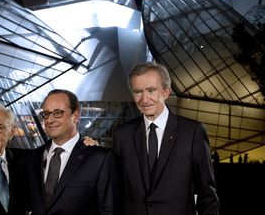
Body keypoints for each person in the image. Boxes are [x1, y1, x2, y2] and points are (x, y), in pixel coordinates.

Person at [112, 62, 219, 215]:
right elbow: (114, 187)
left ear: (166, 92)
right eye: (138, 92)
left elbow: (207, 194)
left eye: (151, 90)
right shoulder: (123, 134)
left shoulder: (192, 132)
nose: (144, 98)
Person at [26, 89, 119, 215]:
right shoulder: (33, 158)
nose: (50, 120)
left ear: (75, 115)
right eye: (46, 113)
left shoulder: (99, 159)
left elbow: (109, 210)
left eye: (58, 113)